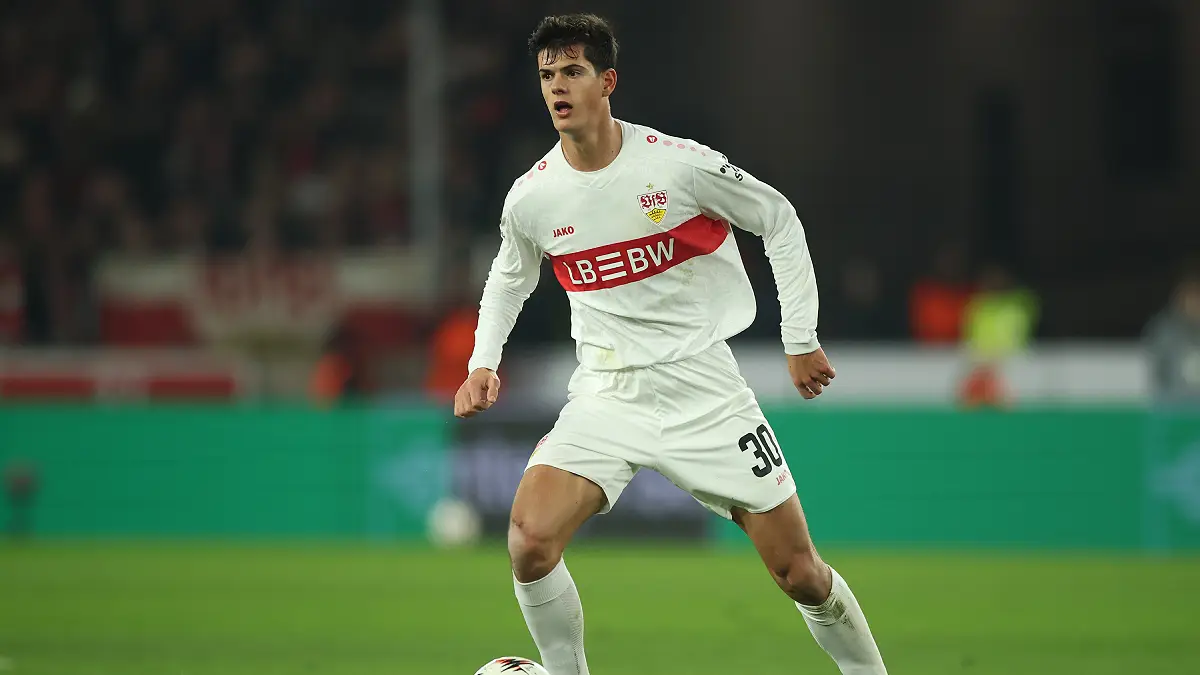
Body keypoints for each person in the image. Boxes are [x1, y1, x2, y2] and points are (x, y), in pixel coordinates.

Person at [454, 14, 887, 675]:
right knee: (529, 540)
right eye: (547, 75)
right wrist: (483, 361)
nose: (557, 88)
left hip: (705, 391)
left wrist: (799, 336)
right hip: (606, 394)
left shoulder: (675, 166)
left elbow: (777, 217)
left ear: (608, 81)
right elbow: (510, 274)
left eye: (572, 72)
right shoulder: (533, 197)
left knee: (799, 571)